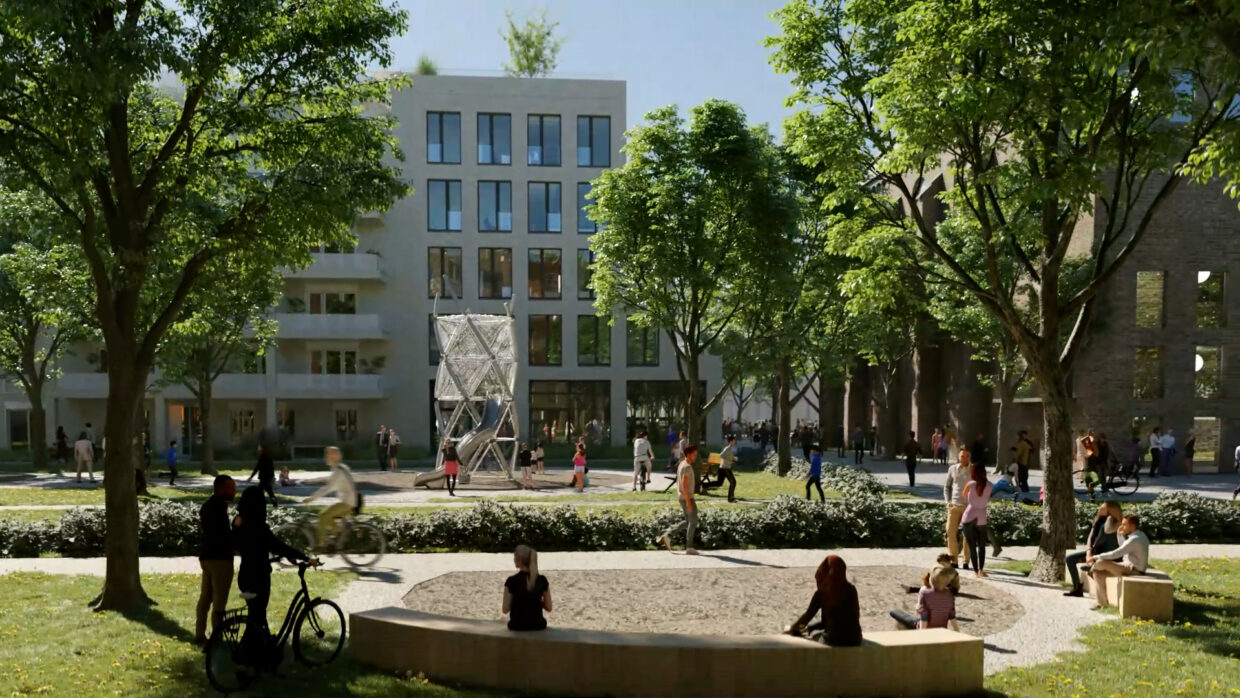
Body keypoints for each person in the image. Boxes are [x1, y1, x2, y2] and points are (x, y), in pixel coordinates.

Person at [232, 486, 317, 669]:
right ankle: (250, 658)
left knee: (257, 617)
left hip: (245, 575)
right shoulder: (259, 526)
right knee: (257, 618)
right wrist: (304, 557)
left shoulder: (238, 522)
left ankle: (261, 653)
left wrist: (284, 554)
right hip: (259, 577)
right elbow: (277, 545)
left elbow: (249, 544)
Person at [195, 475, 237, 645]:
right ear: (221, 488)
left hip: (206, 557)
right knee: (219, 600)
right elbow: (224, 536)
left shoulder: (207, 506)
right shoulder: (219, 508)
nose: (234, 491)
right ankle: (217, 637)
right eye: (231, 488)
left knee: (205, 597)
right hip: (220, 559)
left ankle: (200, 634)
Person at [786, 555, 863, 647]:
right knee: (816, 625)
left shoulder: (821, 594)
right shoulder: (851, 590)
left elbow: (806, 617)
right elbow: (853, 616)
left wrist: (792, 629)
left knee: (813, 630)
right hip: (855, 639)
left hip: (833, 641)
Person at [1086, 514, 1149, 609]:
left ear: (1132, 526)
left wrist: (1094, 557)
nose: (1121, 526)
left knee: (1100, 562)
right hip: (1128, 566)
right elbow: (1123, 547)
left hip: (1134, 570)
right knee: (1098, 573)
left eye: (1124, 524)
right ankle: (1102, 603)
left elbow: (1115, 554)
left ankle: (1090, 569)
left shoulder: (1134, 539)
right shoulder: (1140, 535)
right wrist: (1120, 535)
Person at [1064, 502, 1122, 597]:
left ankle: (1092, 567)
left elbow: (1107, 530)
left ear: (1111, 511)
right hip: (1096, 552)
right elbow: (1090, 538)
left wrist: (1109, 518)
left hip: (1110, 555)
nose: (1099, 509)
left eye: (1103, 508)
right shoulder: (1098, 520)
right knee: (1070, 559)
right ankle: (1077, 588)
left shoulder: (1118, 523)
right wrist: (1088, 553)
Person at [305, 446, 358, 548]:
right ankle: (336, 533)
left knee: (322, 516)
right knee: (328, 516)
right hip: (349, 501)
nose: (326, 457)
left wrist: (312, 498)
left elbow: (327, 488)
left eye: (328, 454)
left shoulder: (338, 471)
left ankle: (321, 544)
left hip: (347, 503)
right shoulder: (341, 467)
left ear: (334, 456)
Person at [656, 444, 700, 555]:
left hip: (681, 497)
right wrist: (689, 502)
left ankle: (667, 534)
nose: (695, 456)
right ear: (688, 454)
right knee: (693, 522)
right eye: (694, 454)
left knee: (687, 521)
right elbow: (685, 485)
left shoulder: (682, 464)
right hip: (687, 498)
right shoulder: (687, 467)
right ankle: (689, 547)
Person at [502, 544, 552, 631]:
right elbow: (549, 607)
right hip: (538, 625)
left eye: (514, 557)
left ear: (519, 560)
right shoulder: (542, 580)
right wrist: (536, 599)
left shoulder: (511, 581)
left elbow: (505, 610)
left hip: (516, 626)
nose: (513, 559)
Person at [960, 461, 992, 578]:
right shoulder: (990, 485)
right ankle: (981, 570)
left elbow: (964, 495)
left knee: (971, 546)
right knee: (982, 545)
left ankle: (974, 572)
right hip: (982, 516)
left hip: (969, 516)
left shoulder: (970, 484)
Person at [943, 448, 972, 569]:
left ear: (969, 457)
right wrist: (947, 501)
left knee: (968, 534)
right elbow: (947, 486)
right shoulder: (952, 469)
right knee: (950, 531)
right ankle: (953, 559)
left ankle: (966, 561)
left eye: (966, 456)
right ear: (958, 457)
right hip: (954, 505)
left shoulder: (974, 469)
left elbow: (982, 486)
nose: (964, 458)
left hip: (969, 507)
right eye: (962, 456)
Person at [712, 434, 738, 502]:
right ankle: (730, 498)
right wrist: (731, 459)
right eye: (733, 441)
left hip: (726, 467)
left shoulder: (730, 448)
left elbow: (728, 457)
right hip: (725, 468)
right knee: (733, 482)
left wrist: (733, 459)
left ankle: (703, 485)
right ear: (731, 441)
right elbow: (721, 455)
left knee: (719, 483)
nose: (734, 442)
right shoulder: (727, 448)